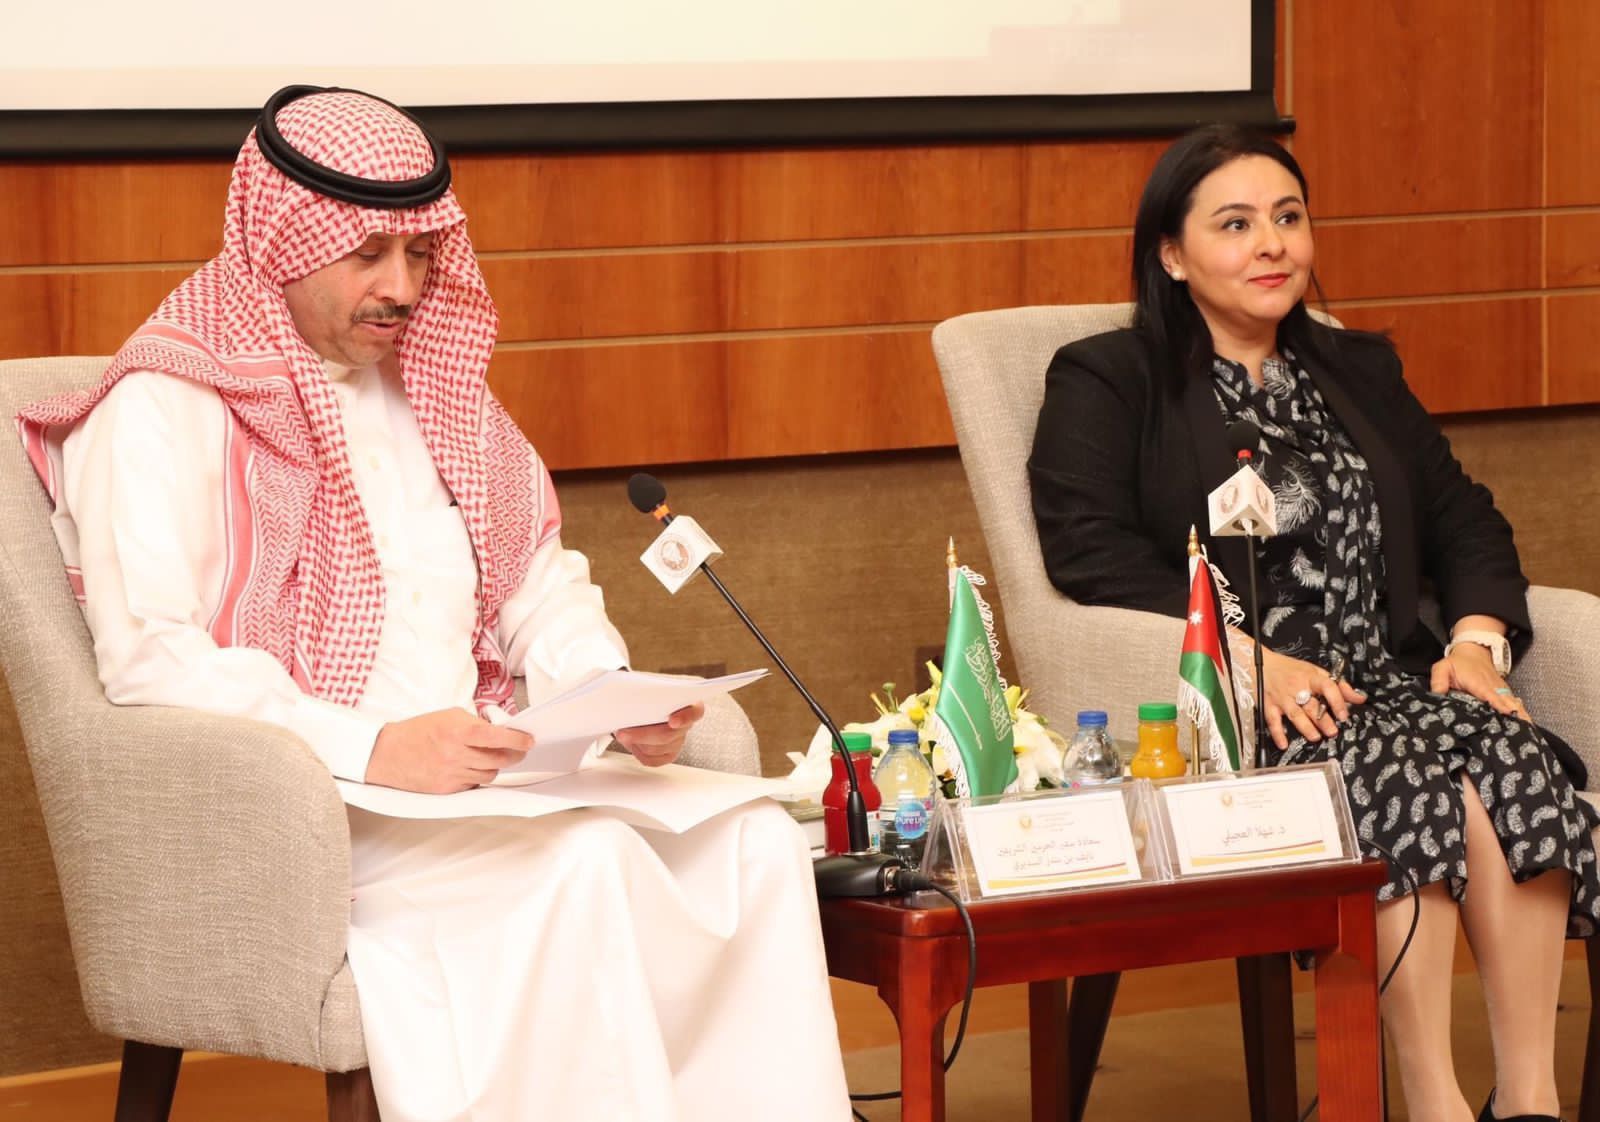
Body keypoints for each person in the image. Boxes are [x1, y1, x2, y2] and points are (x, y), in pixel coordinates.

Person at [17, 86, 851, 1122]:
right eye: (367, 254)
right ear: (279, 241)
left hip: (482, 787)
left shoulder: (442, 395)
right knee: (589, 861)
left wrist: (606, 692)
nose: (403, 288)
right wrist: (374, 748)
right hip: (315, 817)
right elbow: (151, 662)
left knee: (758, 843)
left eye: (420, 255)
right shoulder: (160, 407)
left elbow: (539, 587)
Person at [1029, 124, 1598, 1122]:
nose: (1271, 244)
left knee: (1510, 753)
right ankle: (1432, 1102)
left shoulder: (1356, 369)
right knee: (1398, 769)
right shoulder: (1109, 377)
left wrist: (1476, 642)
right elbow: (1087, 552)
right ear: (1172, 254)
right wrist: (1245, 657)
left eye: (1288, 218)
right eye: (1235, 224)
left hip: (1391, 680)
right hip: (1248, 703)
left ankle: (1529, 1102)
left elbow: (1463, 516)